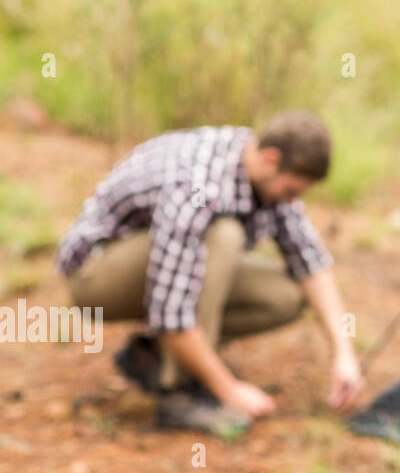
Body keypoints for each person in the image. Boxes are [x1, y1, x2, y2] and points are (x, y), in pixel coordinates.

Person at [54, 109, 365, 434]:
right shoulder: (199, 187)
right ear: (271, 160)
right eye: (290, 191)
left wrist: (343, 353)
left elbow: (310, 262)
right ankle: (179, 390)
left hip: (160, 270)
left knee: (287, 296)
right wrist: (229, 389)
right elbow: (170, 313)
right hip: (96, 278)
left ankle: (157, 357)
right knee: (225, 235)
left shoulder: (259, 167)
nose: (291, 201)